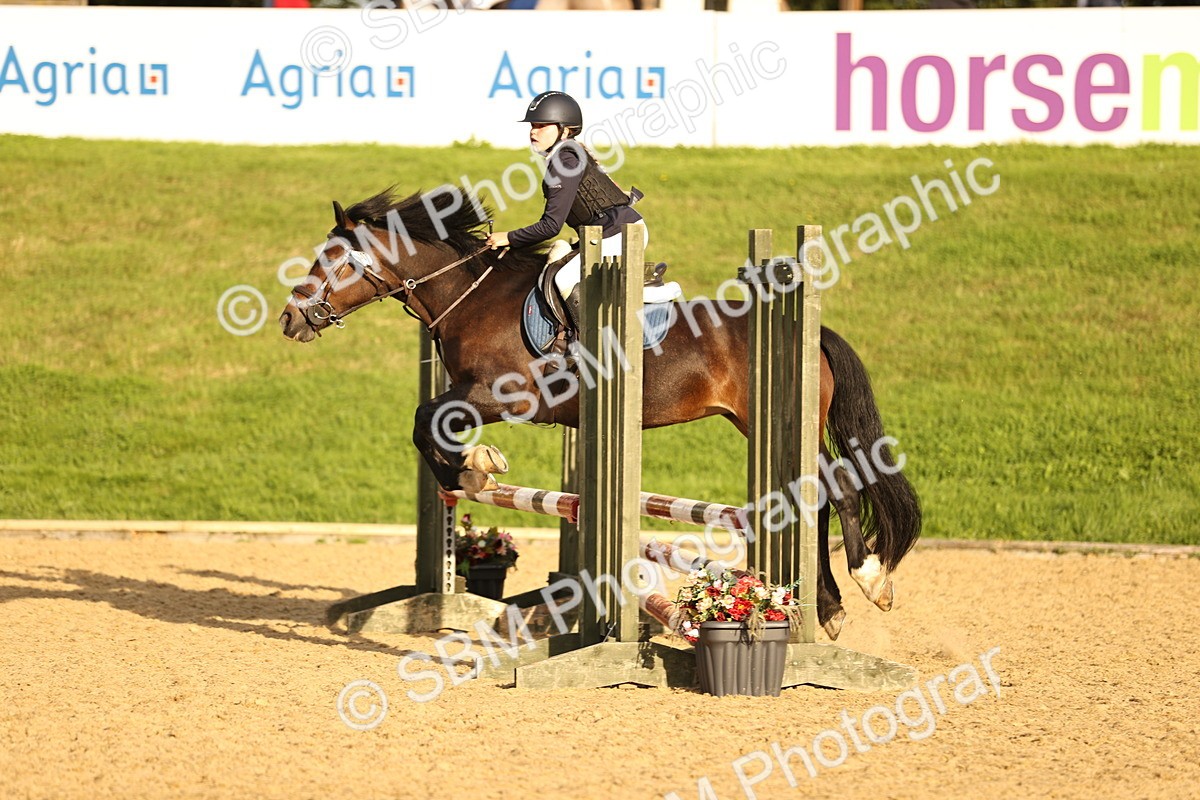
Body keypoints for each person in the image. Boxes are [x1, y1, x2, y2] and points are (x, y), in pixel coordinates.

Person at [485, 91, 648, 319]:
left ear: (565, 129)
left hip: (618, 234)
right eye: (533, 125)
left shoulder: (566, 160)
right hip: (608, 232)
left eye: (542, 125)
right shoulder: (566, 154)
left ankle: (585, 345)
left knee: (562, 278)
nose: (533, 130)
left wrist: (508, 238)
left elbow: (551, 226)